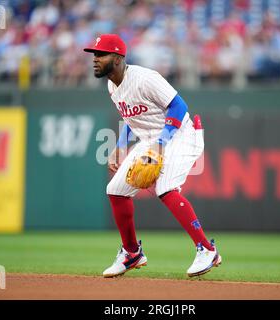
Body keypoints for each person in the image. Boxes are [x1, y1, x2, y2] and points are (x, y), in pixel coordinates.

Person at [84, 34, 222, 278]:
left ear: (117, 58)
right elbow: (131, 119)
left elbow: (179, 106)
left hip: (180, 134)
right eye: (94, 55)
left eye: (100, 54)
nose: (95, 59)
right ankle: (131, 253)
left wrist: (161, 143)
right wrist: (120, 146)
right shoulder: (111, 85)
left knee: (166, 187)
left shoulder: (145, 78)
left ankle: (207, 249)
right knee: (115, 190)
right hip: (150, 140)